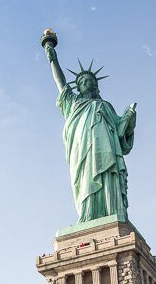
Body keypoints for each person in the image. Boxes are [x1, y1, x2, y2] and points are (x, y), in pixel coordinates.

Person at [43, 31, 137, 223]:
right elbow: (61, 83)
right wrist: (53, 60)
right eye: (83, 81)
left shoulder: (105, 106)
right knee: (86, 181)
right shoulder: (73, 103)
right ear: (78, 87)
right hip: (83, 152)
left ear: (96, 86)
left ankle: (113, 213)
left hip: (107, 153)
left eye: (91, 81)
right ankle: (88, 216)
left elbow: (121, 134)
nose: (87, 83)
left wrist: (129, 119)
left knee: (108, 177)